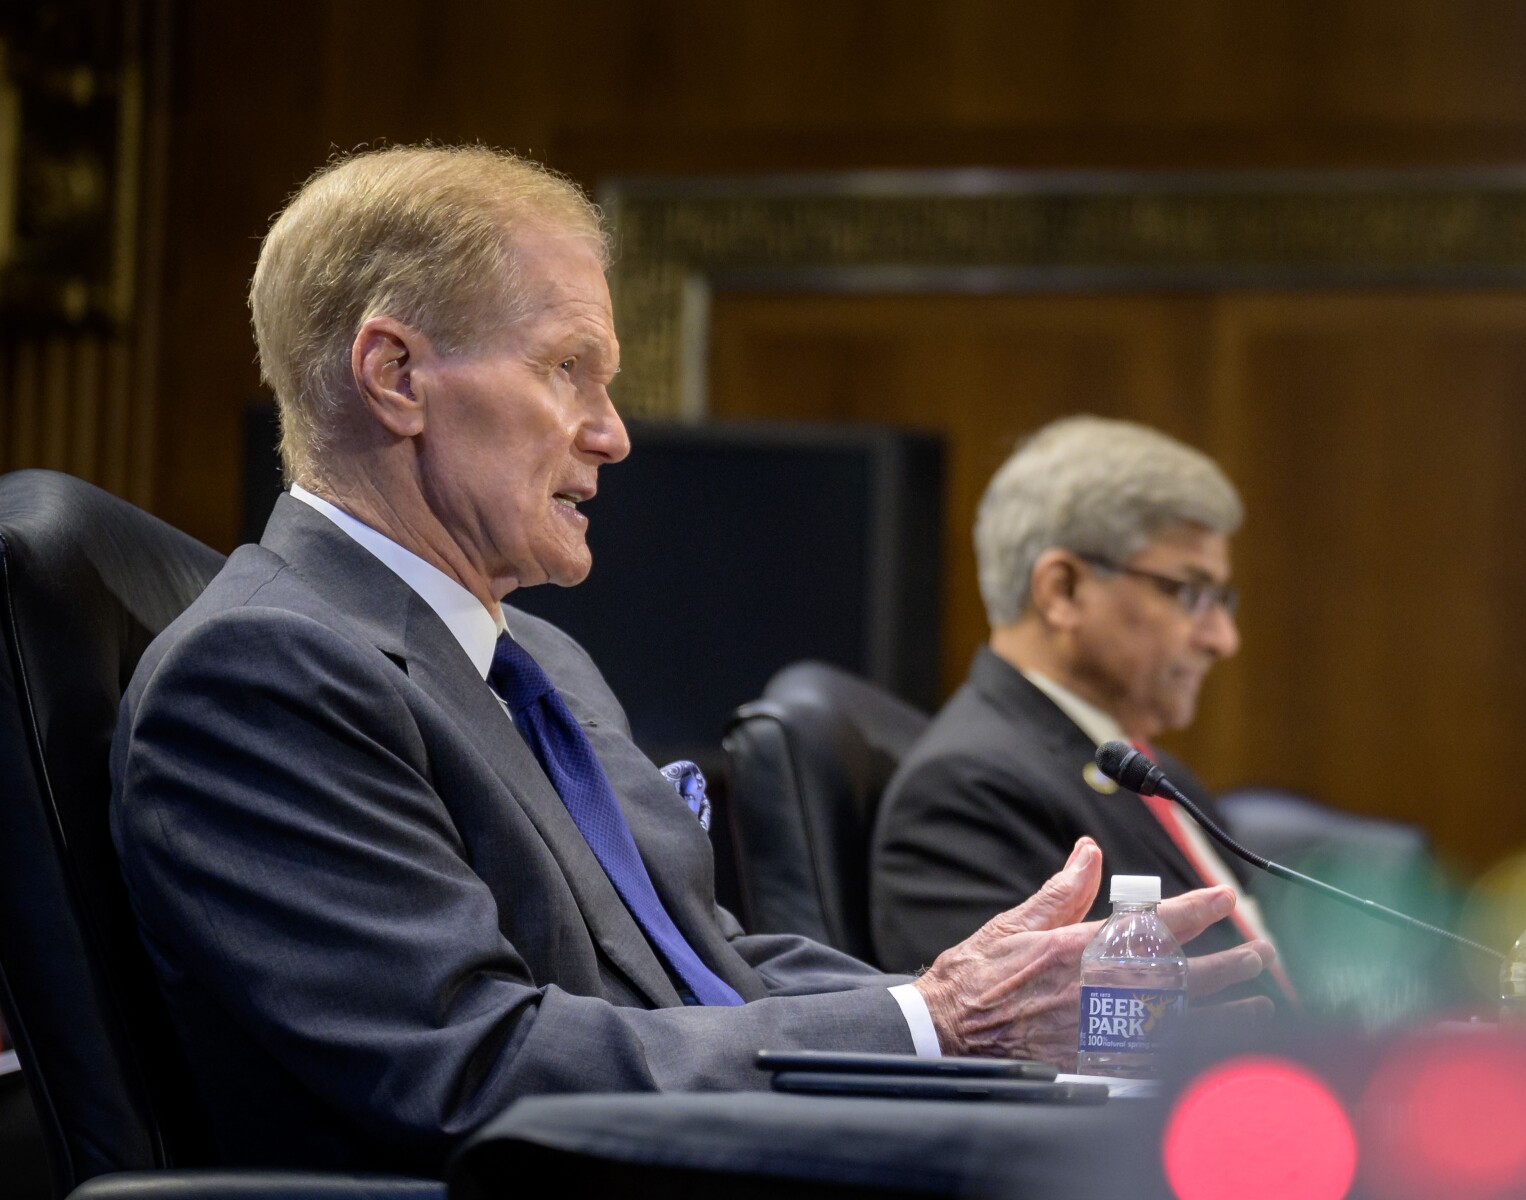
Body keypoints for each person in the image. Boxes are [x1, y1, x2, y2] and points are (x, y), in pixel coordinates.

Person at [108, 146, 1272, 1175]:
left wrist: (980, 995)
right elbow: (474, 1066)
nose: (612, 432)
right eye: (570, 368)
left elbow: (704, 959)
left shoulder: (542, 660)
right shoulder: (263, 673)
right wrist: (935, 1019)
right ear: (397, 376)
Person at [870, 417, 1290, 1002]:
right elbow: (1027, 1037)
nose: (1223, 639)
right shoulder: (966, 793)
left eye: (1222, 599)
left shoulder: (1148, 771)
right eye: (1191, 593)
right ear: (1063, 591)